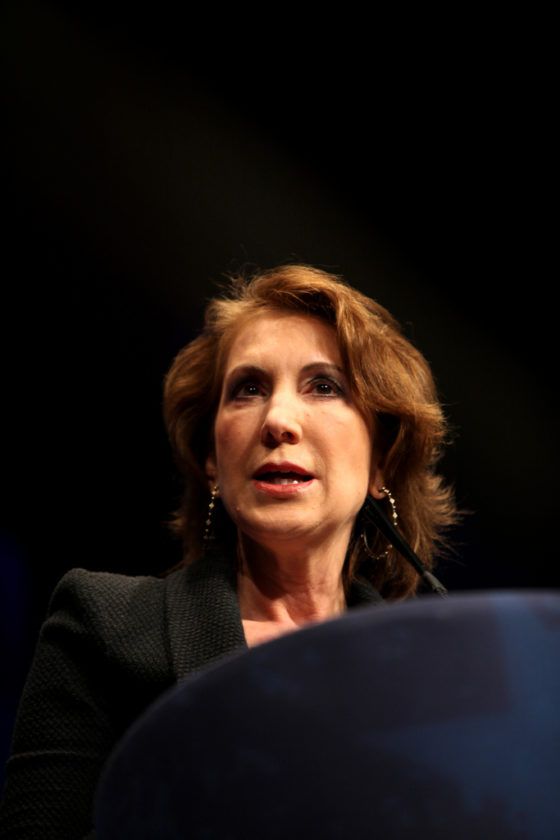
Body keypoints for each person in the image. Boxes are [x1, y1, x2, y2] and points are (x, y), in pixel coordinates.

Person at [0, 264, 457, 837]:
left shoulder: (427, 680)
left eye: (324, 386)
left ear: (381, 460)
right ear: (212, 460)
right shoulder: (103, 626)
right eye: (248, 389)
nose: (278, 421)